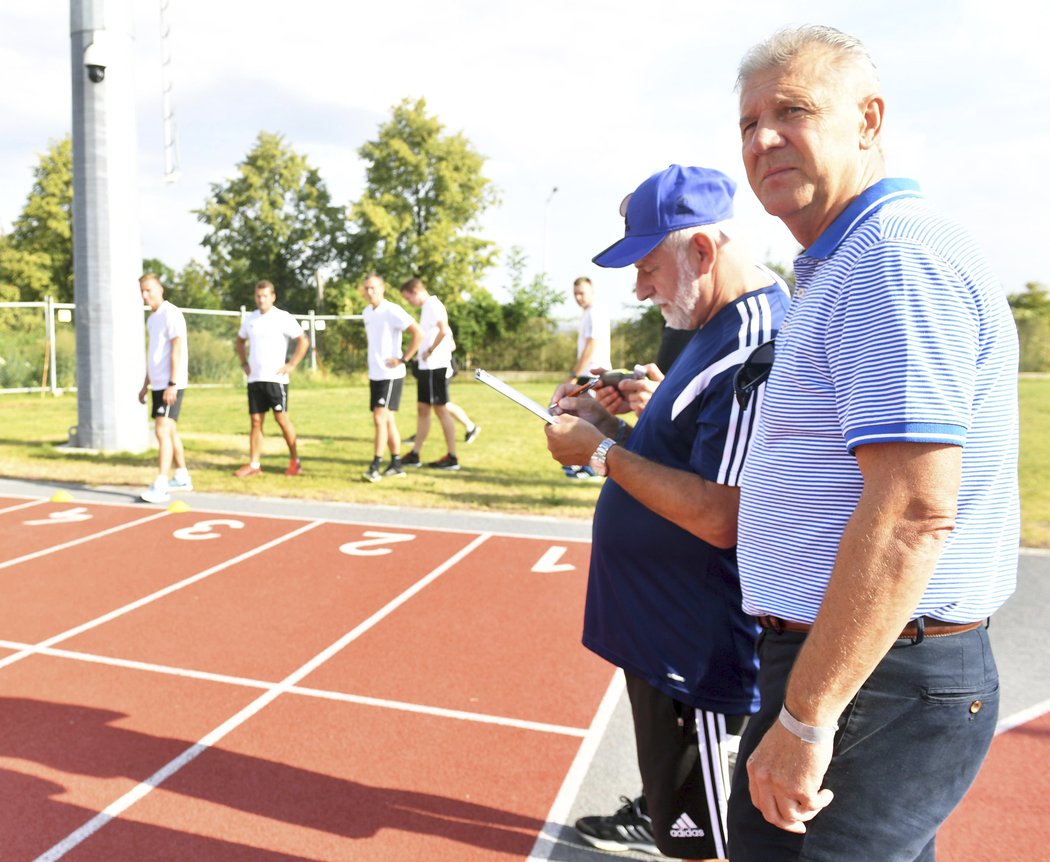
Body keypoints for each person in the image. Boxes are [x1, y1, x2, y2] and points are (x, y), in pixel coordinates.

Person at [727, 25, 1019, 862]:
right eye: (747, 123)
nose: (763, 138)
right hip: (871, 666)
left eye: (793, 110)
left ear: (868, 119)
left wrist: (807, 714)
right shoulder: (848, 260)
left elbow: (913, 512)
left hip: (872, 676)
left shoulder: (892, 260)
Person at [546, 165, 789, 861]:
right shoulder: (710, 324)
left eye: (648, 267)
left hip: (698, 649)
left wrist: (598, 454)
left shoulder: (753, 343)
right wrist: (612, 427)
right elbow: (684, 461)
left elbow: (724, 514)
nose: (640, 288)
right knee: (683, 830)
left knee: (704, 844)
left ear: (704, 253)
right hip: (668, 640)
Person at [233, 279, 310, 478]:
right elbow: (240, 341)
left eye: (265, 296)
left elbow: (303, 340)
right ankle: (254, 464)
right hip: (255, 379)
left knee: (281, 419)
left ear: (273, 297)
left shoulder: (282, 317)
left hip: (276, 380)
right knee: (256, 422)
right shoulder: (250, 319)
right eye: (258, 296)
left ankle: (295, 461)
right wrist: (244, 363)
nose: (261, 300)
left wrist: (291, 364)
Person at [360, 273, 422, 482]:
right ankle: (396, 463)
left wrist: (403, 358)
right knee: (387, 420)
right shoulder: (367, 312)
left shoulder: (392, 310)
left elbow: (418, 333)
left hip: (391, 374)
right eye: (366, 288)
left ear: (382, 288)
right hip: (375, 373)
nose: (369, 292)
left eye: (373, 288)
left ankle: (375, 465)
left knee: (379, 418)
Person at [137, 273, 192, 504]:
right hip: (158, 383)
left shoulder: (172, 314)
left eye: (149, 290)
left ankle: (161, 482)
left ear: (160, 289)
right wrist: (145, 385)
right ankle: (181, 476)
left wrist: (172, 383)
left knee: (161, 430)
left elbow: (176, 349)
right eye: (142, 291)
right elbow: (155, 354)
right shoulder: (152, 319)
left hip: (171, 384)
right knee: (169, 432)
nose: (144, 295)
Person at [398, 277, 462, 471]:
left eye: (408, 298)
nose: (409, 302)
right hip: (427, 368)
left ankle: (452, 457)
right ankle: (415, 454)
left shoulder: (434, 304)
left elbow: (443, 330)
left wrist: (431, 350)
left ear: (415, 291)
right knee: (422, 409)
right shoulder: (427, 308)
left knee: (441, 409)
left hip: (436, 367)